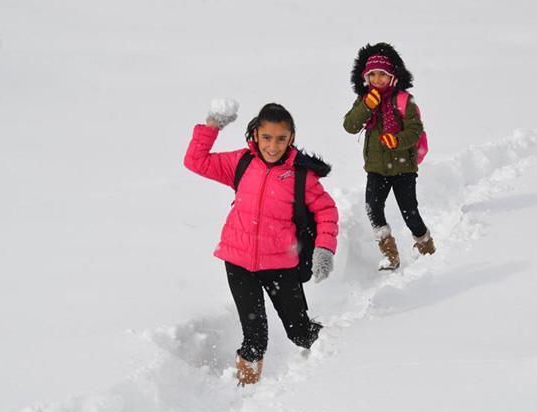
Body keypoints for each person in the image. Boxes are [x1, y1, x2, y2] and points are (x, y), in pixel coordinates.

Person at [184, 102, 339, 386]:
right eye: (267, 137)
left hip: (281, 265)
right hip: (238, 262)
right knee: (255, 338)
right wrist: (212, 125)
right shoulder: (241, 163)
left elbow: (326, 211)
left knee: (301, 332)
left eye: (281, 138)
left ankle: (343, 358)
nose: (273, 145)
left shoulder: (301, 176)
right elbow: (196, 161)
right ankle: (247, 394)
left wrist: (325, 248)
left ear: (291, 138)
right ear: (256, 134)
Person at [343, 42, 436, 271]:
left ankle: (426, 246)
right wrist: (366, 106)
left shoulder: (405, 99)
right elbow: (350, 125)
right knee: (372, 208)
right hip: (376, 168)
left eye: (382, 74)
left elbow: (415, 131)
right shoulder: (365, 99)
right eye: (372, 74)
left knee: (409, 212)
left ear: (392, 76)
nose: (377, 79)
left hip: (403, 168)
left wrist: (397, 141)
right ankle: (389, 253)